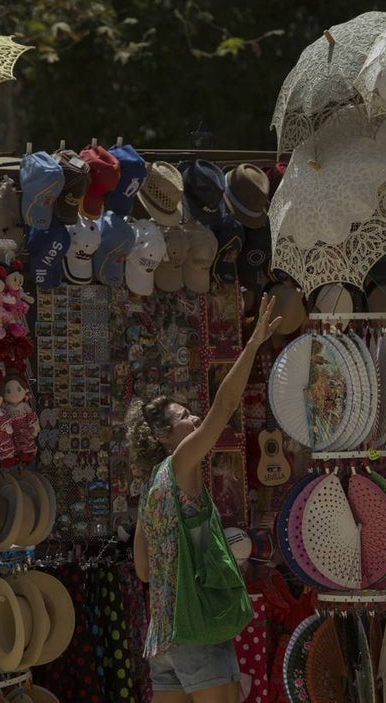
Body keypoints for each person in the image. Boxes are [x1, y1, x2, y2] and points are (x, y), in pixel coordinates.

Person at [129, 295, 280, 703]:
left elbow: (143, 569)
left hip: (163, 636)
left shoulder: (150, 487)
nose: (194, 418)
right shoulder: (180, 463)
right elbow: (224, 407)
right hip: (195, 626)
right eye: (184, 417)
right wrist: (252, 346)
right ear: (163, 437)